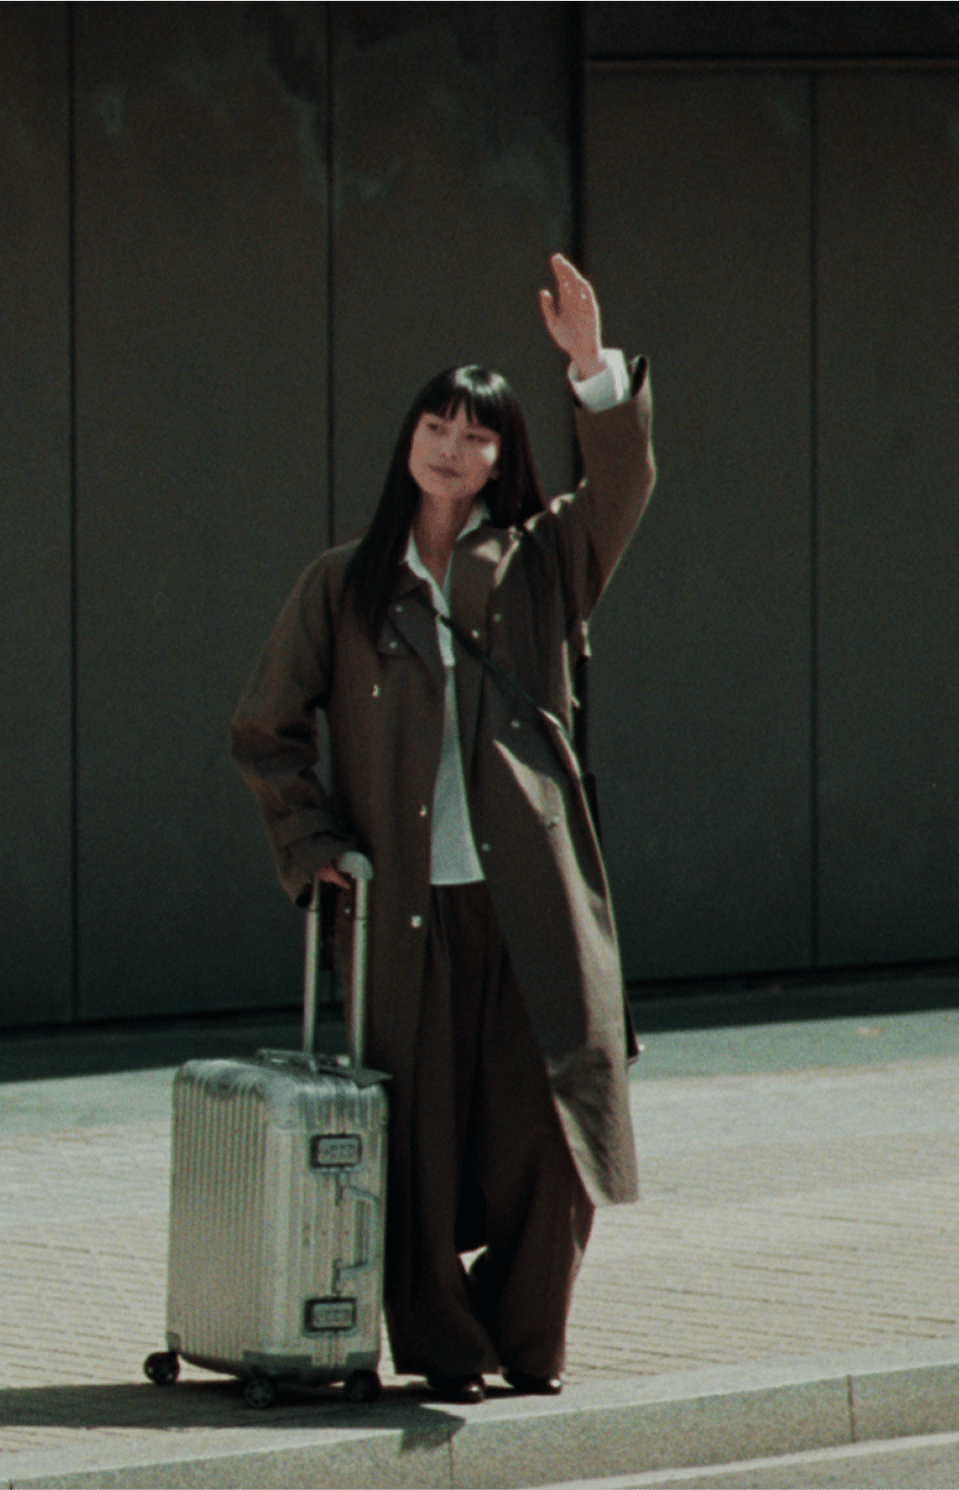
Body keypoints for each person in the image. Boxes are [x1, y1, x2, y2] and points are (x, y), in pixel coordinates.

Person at [230, 254, 655, 1403]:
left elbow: (619, 486)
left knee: (551, 1133)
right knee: (411, 1138)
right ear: (407, 440)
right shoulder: (343, 583)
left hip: (533, 903)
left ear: (502, 456)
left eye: (477, 435)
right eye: (435, 426)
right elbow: (265, 729)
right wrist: (314, 844)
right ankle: (443, 1346)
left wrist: (590, 367)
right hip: (401, 909)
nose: (452, 448)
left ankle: (525, 1338)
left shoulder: (541, 561)